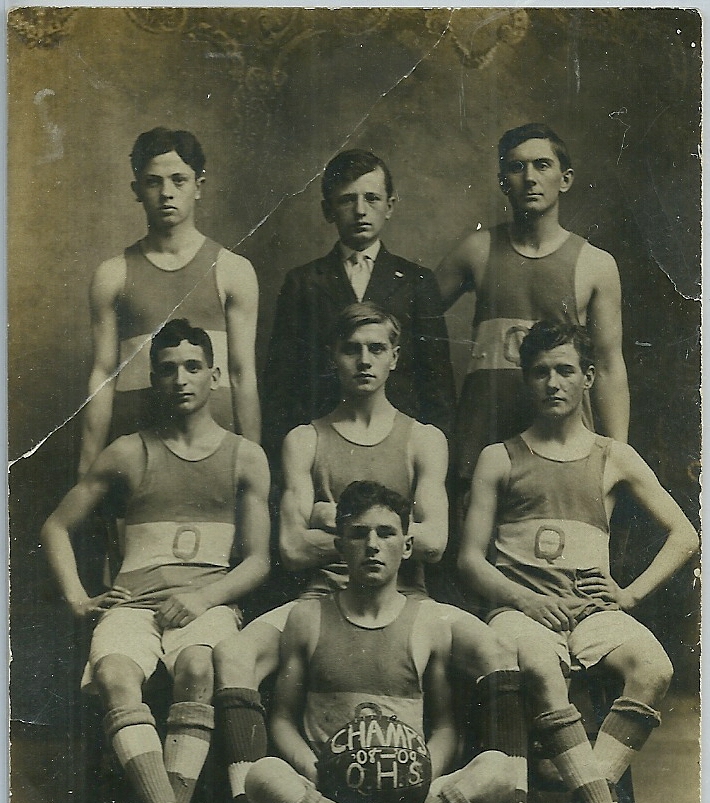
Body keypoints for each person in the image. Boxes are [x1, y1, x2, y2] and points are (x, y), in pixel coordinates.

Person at [206, 303, 534, 803]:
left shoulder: (423, 439)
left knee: (497, 648)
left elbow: (432, 543)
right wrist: (379, 520)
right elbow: (287, 546)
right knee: (231, 656)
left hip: (410, 604)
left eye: (376, 349)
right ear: (334, 358)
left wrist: (331, 518)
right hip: (320, 601)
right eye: (352, 349)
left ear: (394, 356)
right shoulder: (305, 439)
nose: (364, 360)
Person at [458, 319, 698, 803]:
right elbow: (470, 560)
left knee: (654, 668)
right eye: (540, 372)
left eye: (566, 370)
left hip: (590, 612)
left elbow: (686, 535)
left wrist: (629, 595)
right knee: (538, 662)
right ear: (526, 380)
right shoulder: (501, 457)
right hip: (520, 613)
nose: (553, 382)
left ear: (589, 377)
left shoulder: (613, 455)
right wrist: (524, 600)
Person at [42, 319, 270, 803]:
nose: (181, 379)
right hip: (133, 606)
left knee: (198, 666)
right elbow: (55, 526)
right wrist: (78, 598)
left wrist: (203, 596)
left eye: (193, 367)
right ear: (152, 381)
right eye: (167, 370)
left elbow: (260, 560)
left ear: (215, 376)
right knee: (115, 673)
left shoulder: (246, 456)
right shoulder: (127, 452)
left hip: (206, 603)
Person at [244, 480, 516, 803]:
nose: (372, 545)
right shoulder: (307, 617)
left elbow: (445, 725)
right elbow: (281, 719)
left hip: (410, 801)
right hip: (328, 801)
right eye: (358, 534)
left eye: (386, 533)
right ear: (339, 545)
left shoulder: (429, 622)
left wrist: (426, 770)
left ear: (407, 546)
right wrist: (314, 771)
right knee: (262, 775)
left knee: (498, 771)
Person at [436, 122, 630, 529]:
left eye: (542, 165)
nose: (530, 178)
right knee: (477, 556)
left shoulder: (596, 263)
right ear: (503, 181)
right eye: (517, 167)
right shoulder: (477, 249)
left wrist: (616, 455)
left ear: (565, 179)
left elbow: (610, 367)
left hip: (560, 432)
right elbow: (408, 320)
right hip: (483, 428)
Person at [79, 127, 260, 479]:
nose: (166, 193)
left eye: (179, 180)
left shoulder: (232, 270)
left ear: (199, 186)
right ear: (137, 190)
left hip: (215, 451)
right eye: (153, 182)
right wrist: (86, 471)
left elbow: (242, 375)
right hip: (138, 453)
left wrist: (253, 466)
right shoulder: (112, 275)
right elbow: (101, 376)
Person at [262, 149, 455, 459]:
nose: (360, 210)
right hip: (322, 440)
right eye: (347, 200)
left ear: (390, 206)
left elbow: (437, 385)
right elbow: (282, 384)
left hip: (399, 442)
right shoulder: (303, 282)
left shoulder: (416, 281)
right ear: (328, 211)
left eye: (372, 198)